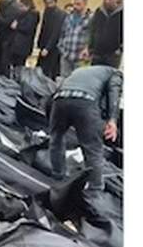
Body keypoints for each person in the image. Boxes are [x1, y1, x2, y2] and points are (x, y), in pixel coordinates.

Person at [49, 63, 122, 195]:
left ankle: (58, 175)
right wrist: (112, 120)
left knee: (56, 138)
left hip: (60, 98)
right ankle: (95, 189)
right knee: (92, 148)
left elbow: (59, 88)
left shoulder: (82, 70)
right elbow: (113, 95)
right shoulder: (116, 74)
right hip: (85, 102)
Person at [87, 0, 123, 68]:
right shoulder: (98, 11)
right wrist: (89, 47)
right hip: (97, 54)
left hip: (113, 56)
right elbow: (92, 30)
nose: (107, 1)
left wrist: (120, 49)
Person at [58, 0, 92, 78]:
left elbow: (93, 37)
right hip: (66, 56)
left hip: (80, 59)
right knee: (64, 81)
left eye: (78, 4)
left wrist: (88, 50)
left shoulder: (91, 19)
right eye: (74, 4)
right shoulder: (69, 17)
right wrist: (61, 48)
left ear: (85, 4)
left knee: (78, 81)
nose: (75, 7)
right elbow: (62, 33)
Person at [8, 0, 40, 77]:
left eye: (22, 6)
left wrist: (17, 26)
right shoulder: (22, 15)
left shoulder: (33, 15)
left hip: (23, 46)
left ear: (28, 6)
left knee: (19, 67)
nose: (20, 8)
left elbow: (28, 28)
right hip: (16, 45)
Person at [37, 0, 67, 78]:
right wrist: (40, 43)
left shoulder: (60, 14)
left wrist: (47, 48)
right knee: (40, 70)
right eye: (47, 3)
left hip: (54, 47)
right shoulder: (46, 12)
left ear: (55, 2)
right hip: (44, 46)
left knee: (51, 71)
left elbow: (56, 32)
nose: (49, 5)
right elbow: (43, 28)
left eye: (51, 3)